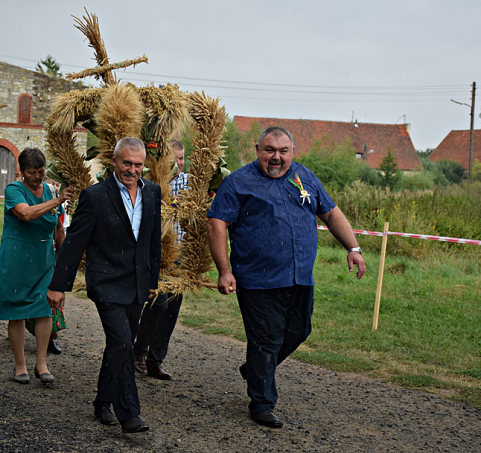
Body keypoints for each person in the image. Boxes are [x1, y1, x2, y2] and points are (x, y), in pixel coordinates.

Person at [207, 126, 366, 428]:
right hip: (257, 279)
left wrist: (353, 247)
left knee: (299, 330)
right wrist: (225, 271)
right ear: (258, 150)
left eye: (283, 151)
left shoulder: (305, 177)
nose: (276, 157)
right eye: (270, 151)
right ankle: (262, 403)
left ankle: (256, 369)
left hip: (299, 276)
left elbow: (330, 213)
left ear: (293, 152)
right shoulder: (238, 183)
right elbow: (217, 223)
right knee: (266, 339)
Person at [47, 137, 161, 434]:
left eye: (138, 165)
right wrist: (59, 285)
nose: (132, 170)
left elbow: (152, 241)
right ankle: (130, 414)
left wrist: (151, 281)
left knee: (117, 346)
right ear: (114, 162)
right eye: (127, 163)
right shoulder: (95, 196)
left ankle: (102, 402)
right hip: (107, 283)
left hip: (137, 286)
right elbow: (74, 243)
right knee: (124, 343)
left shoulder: (153, 193)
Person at [0, 148, 73, 385]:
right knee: (16, 311)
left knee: (44, 309)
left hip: (44, 258)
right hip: (17, 257)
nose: (37, 177)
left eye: (40, 172)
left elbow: (58, 229)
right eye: (32, 172)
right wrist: (57, 199)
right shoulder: (13, 190)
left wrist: (63, 262)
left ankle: (41, 364)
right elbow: (26, 214)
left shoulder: (49, 190)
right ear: (21, 171)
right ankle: (20, 366)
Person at [134, 139, 188, 380]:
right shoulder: (150, 181)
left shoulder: (187, 183)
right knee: (159, 302)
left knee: (173, 307)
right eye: (174, 158)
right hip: (155, 252)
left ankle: (156, 359)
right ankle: (138, 349)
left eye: (182, 158)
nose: (178, 163)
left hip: (178, 251)